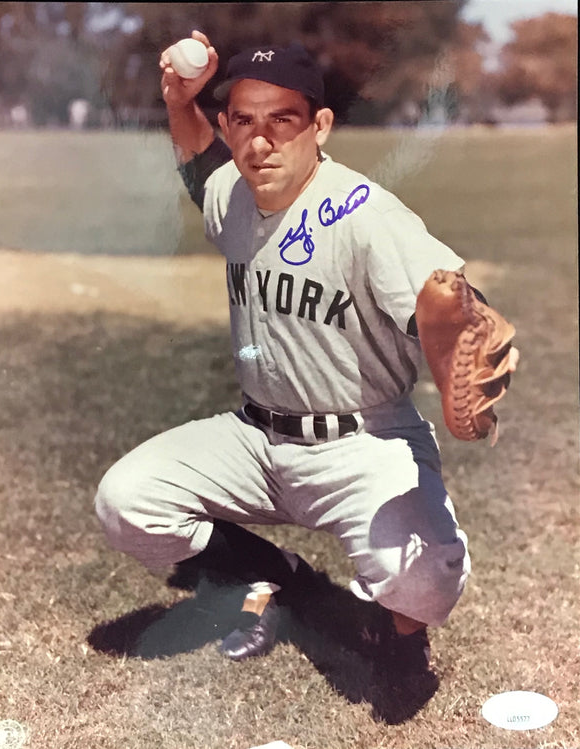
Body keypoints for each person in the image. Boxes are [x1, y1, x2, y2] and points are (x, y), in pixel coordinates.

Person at [95, 30, 476, 679]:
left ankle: (397, 630)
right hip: (256, 437)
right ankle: (268, 575)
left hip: (363, 442)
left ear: (320, 126)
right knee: (126, 499)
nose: (260, 141)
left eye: (283, 121)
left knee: (427, 574)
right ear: (228, 125)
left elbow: (452, 304)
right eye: (243, 122)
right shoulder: (235, 194)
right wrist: (176, 99)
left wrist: (458, 350)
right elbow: (198, 159)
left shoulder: (363, 213)